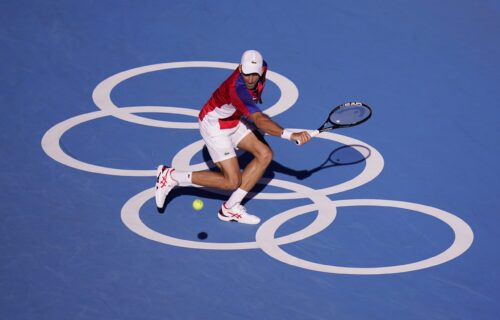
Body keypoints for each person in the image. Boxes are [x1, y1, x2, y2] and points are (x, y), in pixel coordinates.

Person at [155, 50, 311, 224]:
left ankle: (230, 208)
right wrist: (290, 135)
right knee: (232, 182)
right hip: (214, 126)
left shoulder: (262, 68)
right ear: (239, 68)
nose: (250, 79)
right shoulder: (236, 89)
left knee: (265, 154)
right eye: (246, 75)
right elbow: (259, 119)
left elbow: (255, 104)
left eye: (254, 75)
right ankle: (171, 176)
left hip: (234, 120)